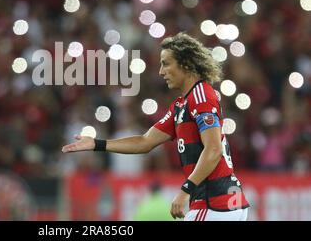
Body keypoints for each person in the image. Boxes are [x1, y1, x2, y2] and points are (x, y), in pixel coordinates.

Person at [62, 32, 250, 221]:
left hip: (214, 204)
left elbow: (214, 148)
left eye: (166, 63)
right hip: (226, 204)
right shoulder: (181, 105)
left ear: (186, 63)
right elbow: (144, 142)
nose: (161, 72)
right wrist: (97, 144)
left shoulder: (200, 96)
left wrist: (186, 189)